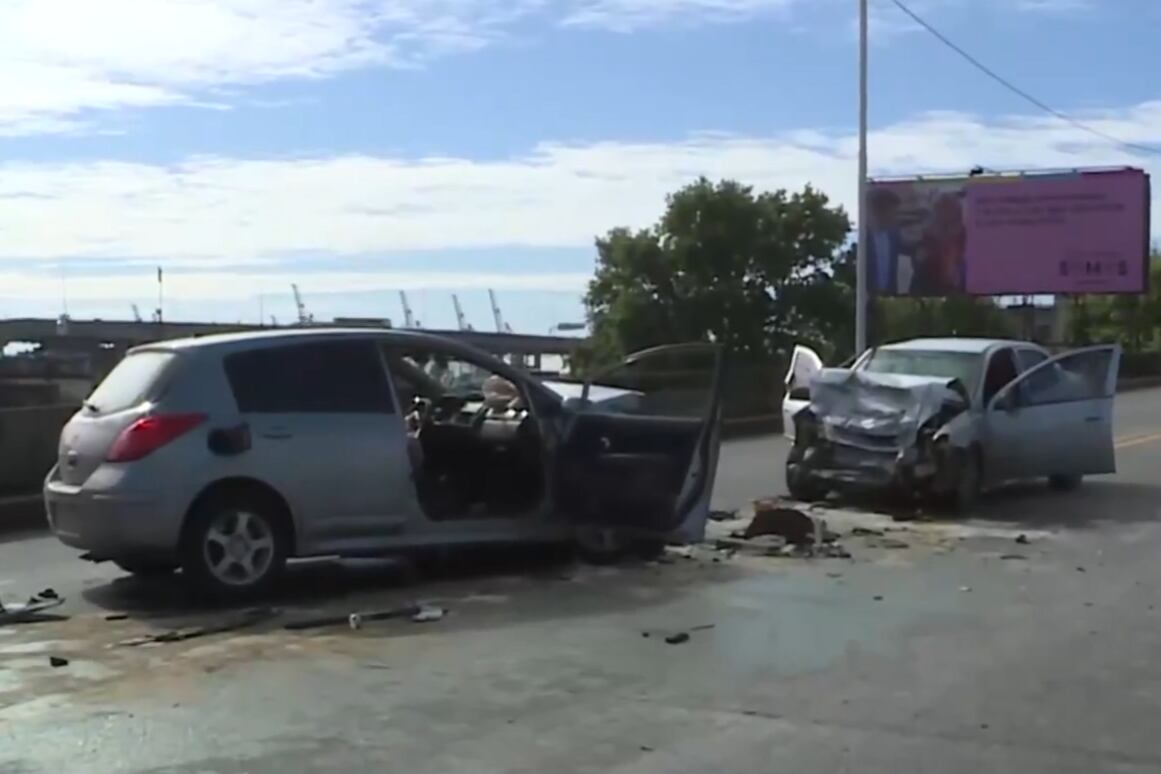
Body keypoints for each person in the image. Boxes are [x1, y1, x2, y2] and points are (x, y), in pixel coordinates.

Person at [866, 188, 907, 295]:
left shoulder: (894, 236)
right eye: (894, 213)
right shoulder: (864, 238)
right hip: (865, 296)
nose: (897, 218)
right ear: (880, 212)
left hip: (887, 296)